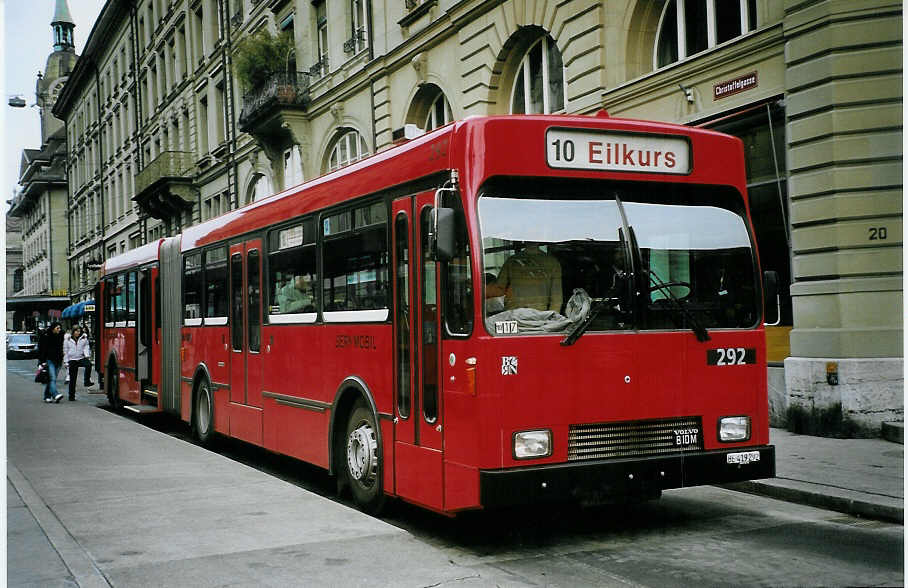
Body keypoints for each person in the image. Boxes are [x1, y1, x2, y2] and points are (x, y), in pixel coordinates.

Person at [486, 243, 563, 312]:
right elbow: (556, 298)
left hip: (515, 314)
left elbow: (499, 288)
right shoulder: (553, 262)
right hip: (538, 316)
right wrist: (551, 319)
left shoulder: (512, 260)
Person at [38, 322, 65, 403]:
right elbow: (41, 349)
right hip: (49, 360)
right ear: (53, 328)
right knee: (52, 378)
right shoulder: (46, 336)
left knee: (52, 379)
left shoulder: (61, 336)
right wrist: (41, 361)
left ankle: (47, 396)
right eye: (57, 328)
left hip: (58, 360)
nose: (59, 330)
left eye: (60, 328)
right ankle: (55, 394)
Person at [66, 326, 94, 400]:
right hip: (72, 359)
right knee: (73, 379)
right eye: (76, 331)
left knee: (89, 365)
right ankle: (71, 396)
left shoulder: (84, 338)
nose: (78, 333)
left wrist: (87, 355)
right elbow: (65, 350)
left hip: (81, 358)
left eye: (79, 331)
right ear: (73, 332)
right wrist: (66, 361)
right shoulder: (68, 339)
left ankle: (86, 381)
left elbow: (86, 346)